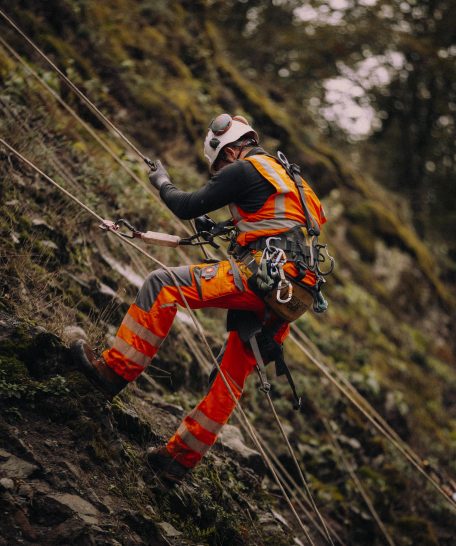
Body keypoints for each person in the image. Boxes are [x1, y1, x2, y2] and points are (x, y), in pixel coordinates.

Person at [72, 113, 327, 484]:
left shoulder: (243, 169)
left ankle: (111, 373)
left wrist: (161, 181)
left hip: (261, 275)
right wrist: (227, 229)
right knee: (230, 374)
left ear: (233, 149)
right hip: (292, 293)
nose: (221, 169)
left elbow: (186, 205)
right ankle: (176, 461)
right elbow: (277, 225)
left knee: (162, 284)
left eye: (221, 161)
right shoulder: (290, 180)